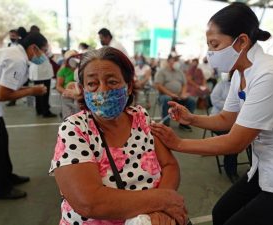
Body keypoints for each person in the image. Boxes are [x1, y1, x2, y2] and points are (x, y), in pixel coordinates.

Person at [151, 3, 273, 225]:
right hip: (262, 165)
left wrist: (178, 144)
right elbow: (227, 118)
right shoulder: (240, 73)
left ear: (242, 41)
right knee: (221, 213)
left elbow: (235, 142)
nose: (210, 54)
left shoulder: (271, 74)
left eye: (215, 45)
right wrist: (192, 118)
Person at [49, 47, 188, 225]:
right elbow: (89, 202)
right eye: (92, 84)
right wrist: (163, 201)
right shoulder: (74, 129)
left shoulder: (141, 117)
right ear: (83, 90)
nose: (102, 90)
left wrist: (155, 214)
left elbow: (169, 165)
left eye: (112, 82)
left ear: (129, 86)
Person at [0, 32, 48, 200]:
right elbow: (2, 95)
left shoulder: (14, 54)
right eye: (43, 51)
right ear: (33, 48)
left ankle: (7, 176)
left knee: (2, 140)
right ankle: (2, 189)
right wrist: (33, 91)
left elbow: (6, 89)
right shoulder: (17, 60)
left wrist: (30, 90)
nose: (44, 55)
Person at [210, 72, 239, 183]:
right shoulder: (222, 84)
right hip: (219, 120)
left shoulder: (246, 85)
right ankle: (231, 170)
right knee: (232, 140)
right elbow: (214, 99)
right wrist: (231, 107)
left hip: (238, 121)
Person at [154, 52, 196, 131]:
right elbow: (158, 85)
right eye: (174, 60)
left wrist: (183, 93)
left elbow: (184, 84)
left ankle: (184, 123)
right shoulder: (162, 71)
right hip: (165, 95)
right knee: (166, 99)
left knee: (191, 101)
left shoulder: (179, 72)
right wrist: (171, 94)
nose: (176, 62)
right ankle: (165, 124)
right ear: (169, 61)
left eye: (177, 60)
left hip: (179, 96)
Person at [56, 50, 81, 119]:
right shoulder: (63, 71)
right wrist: (68, 93)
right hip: (67, 94)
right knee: (68, 115)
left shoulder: (82, 69)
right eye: (72, 57)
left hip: (80, 93)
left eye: (76, 57)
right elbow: (58, 86)